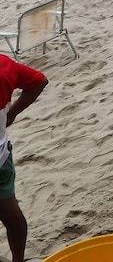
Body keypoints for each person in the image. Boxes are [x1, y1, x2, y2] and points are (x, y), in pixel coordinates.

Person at [0, 54, 48, 262]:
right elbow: (39, 81)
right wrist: (12, 114)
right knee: (12, 215)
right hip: (0, 157)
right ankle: (18, 259)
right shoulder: (3, 66)